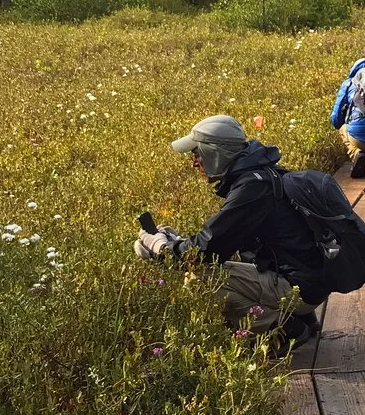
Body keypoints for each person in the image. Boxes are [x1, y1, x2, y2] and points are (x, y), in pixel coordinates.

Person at [134, 115, 323, 349]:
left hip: (299, 289)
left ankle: (280, 329)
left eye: (197, 154)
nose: (194, 162)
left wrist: (160, 248)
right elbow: (218, 241)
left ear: (215, 154)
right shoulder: (261, 175)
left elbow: (203, 254)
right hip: (309, 282)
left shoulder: (252, 189)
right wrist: (177, 242)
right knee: (224, 261)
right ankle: (300, 317)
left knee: (199, 278)